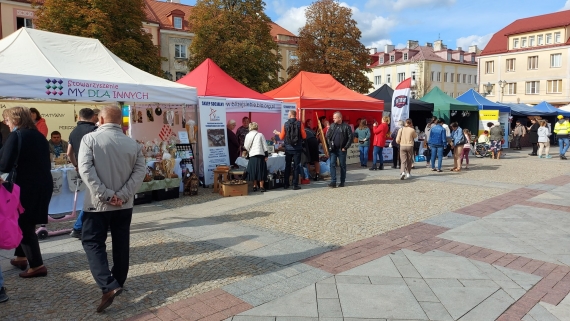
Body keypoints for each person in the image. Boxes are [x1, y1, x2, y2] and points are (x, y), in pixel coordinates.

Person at [78, 105, 146, 313]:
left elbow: (85, 169)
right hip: (123, 204)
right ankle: (118, 281)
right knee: (120, 240)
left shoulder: (90, 139)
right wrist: (123, 194)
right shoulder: (133, 143)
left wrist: (106, 194)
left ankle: (109, 284)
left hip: (98, 204)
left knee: (91, 241)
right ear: (119, 121)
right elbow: (140, 171)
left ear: (100, 119)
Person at [0, 107, 52, 278]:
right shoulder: (38, 135)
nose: (6, 124)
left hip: (25, 185)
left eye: (7, 120)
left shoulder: (16, 135)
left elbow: (5, 164)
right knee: (26, 221)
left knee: (24, 224)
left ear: (15, 120)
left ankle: (36, 265)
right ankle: (21, 256)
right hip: (43, 184)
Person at [67, 108, 98, 239]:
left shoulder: (73, 132)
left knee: (92, 197)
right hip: (95, 168)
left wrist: (76, 165)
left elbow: (69, 153)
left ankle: (83, 226)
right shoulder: (95, 130)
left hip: (83, 168)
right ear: (93, 117)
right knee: (92, 198)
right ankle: (78, 227)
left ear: (79, 117)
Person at [274, 110, 306, 190]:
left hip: (288, 149)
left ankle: (286, 184)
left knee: (287, 166)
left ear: (291, 115)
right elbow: (304, 136)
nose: (288, 115)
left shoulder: (285, 124)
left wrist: (278, 133)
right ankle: (295, 185)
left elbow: (281, 137)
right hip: (297, 148)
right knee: (296, 166)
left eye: (288, 114)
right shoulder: (300, 124)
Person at [325, 112, 352, 187]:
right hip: (333, 149)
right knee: (332, 164)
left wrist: (345, 147)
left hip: (341, 149)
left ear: (340, 118)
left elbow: (350, 138)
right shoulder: (332, 126)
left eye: (335, 118)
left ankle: (342, 181)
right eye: (333, 118)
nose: (333, 119)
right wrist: (330, 144)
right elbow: (328, 136)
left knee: (342, 165)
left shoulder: (346, 126)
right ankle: (333, 181)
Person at [244, 122, 268, 192]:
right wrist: (266, 155)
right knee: (261, 170)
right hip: (260, 154)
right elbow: (265, 145)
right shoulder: (260, 135)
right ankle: (261, 186)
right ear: (257, 127)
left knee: (254, 171)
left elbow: (246, 145)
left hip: (252, 155)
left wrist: (250, 150)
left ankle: (254, 186)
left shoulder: (248, 135)